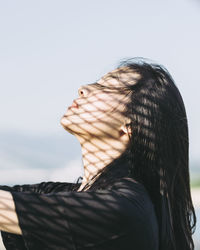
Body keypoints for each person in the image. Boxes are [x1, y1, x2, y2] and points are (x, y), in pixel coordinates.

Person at [0, 58, 196, 250]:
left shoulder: (123, 207)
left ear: (129, 127)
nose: (83, 88)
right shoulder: (77, 193)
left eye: (107, 87)